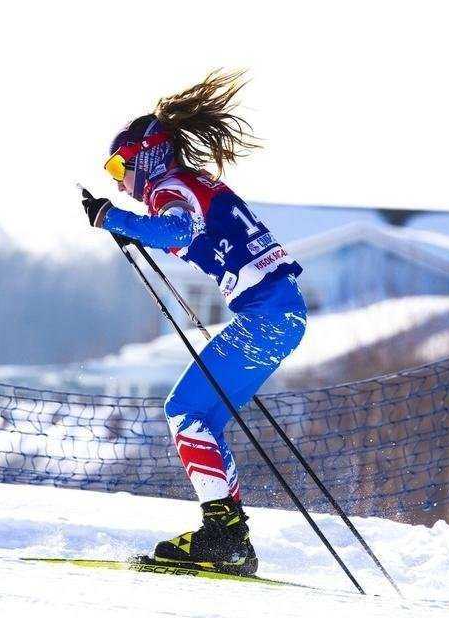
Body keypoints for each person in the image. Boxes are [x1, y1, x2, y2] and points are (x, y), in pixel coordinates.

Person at [81, 70, 307, 575]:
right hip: (279, 313)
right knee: (203, 416)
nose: (117, 178)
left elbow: (175, 230)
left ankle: (224, 536)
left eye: (119, 165)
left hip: (270, 316)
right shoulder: (194, 182)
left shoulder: (170, 189)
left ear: (147, 157)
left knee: (186, 408)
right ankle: (227, 535)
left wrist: (111, 218)